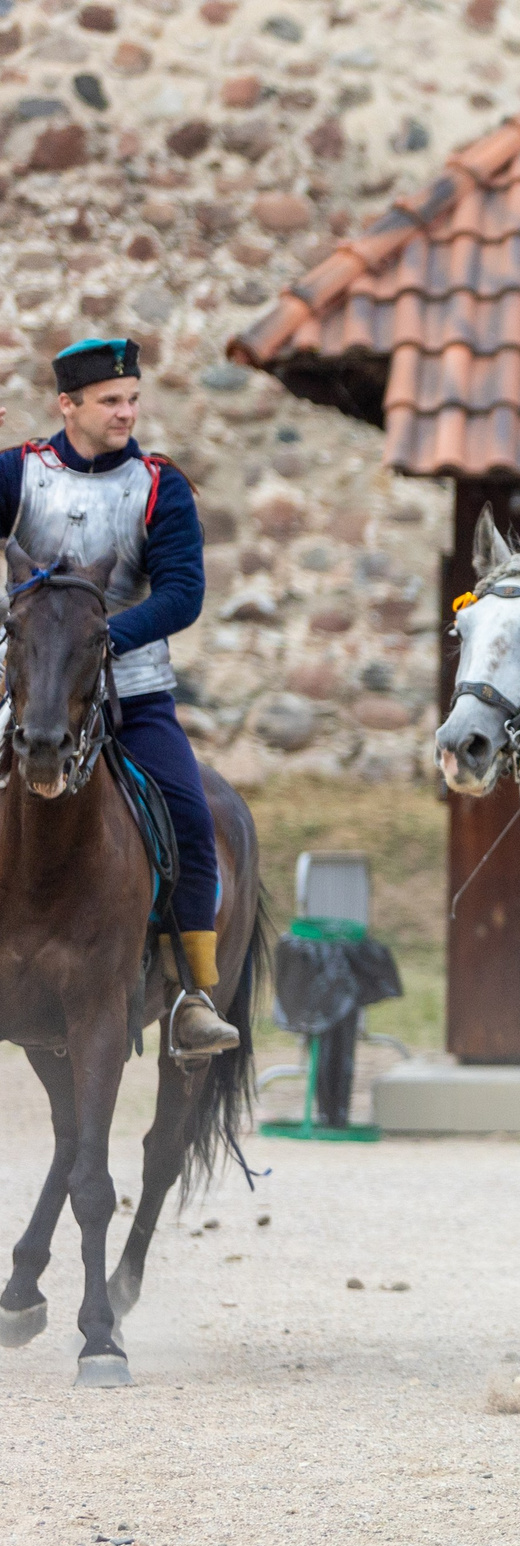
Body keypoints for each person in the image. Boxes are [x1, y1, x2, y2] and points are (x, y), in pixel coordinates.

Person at [0, 338, 238, 1056]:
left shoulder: (159, 486)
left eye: (132, 399)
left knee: (192, 818)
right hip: (23, 687)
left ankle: (192, 992)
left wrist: (104, 637)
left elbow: (182, 594)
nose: (126, 412)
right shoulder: (17, 473)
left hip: (128, 692)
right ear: (66, 405)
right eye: (110, 401)